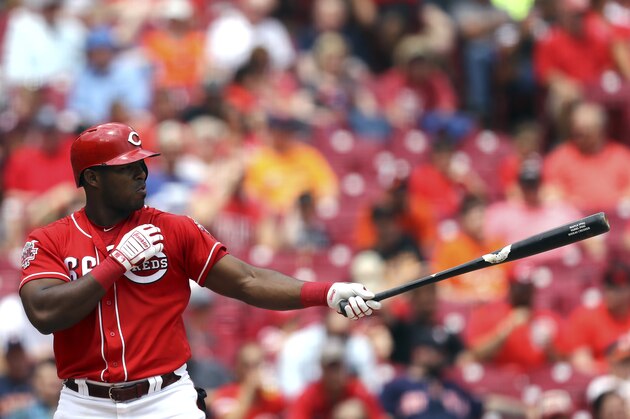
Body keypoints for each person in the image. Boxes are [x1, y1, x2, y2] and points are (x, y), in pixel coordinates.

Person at [17, 122, 382, 418]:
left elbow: (247, 280)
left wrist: (328, 292)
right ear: (92, 178)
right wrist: (115, 265)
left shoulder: (174, 229)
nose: (142, 173)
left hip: (165, 401)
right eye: (127, 168)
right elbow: (44, 313)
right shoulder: (52, 238)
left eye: (142, 163)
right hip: (84, 404)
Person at [379, 327, 483, 419]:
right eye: (435, 351)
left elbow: (480, 407)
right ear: (418, 352)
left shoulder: (453, 386)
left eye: (443, 352)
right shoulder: (396, 386)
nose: (441, 357)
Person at [287, 337, 387, 419]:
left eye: (338, 367)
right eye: (330, 368)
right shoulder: (309, 396)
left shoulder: (357, 390)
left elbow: (379, 416)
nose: (334, 374)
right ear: (322, 369)